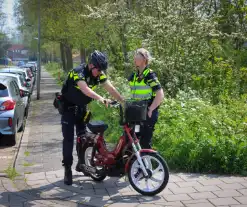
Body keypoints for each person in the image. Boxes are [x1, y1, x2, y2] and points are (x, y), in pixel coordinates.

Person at [61, 50, 124, 185]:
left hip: (81, 109)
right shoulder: (78, 72)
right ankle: (67, 169)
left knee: (83, 137)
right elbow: (85, 89)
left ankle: (81, 164)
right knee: (68, 139)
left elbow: (111, 89)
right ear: (91, 65)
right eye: (99, 69)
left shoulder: (99, 74)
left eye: (102, 70)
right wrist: (101, 99)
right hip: (68, 108)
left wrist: (123, 101)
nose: (100, 72)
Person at [128, 48, 164, 149]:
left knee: (144, 143)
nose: (134, 57)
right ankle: (135, 163)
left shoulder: (150, 75)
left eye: (137, 55)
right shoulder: (133, 76)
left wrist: (151, 109)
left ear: (144, 59)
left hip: (148, 113)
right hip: (137, 112)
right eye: (134, 55)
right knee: (132, 140)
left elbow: (160, 94)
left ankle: (147, 163)